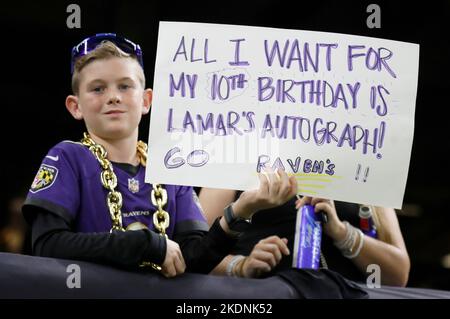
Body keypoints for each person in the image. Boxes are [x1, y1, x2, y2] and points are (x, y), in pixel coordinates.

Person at [21, 33, 298, 278]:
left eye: (125, 86)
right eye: (97, 88)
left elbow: (193, 258)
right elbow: (47, 245)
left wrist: (241, 211)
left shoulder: (168, 165)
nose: (113, 97)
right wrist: (146, 245)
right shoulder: (67, 156)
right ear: (75, 106)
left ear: (146, 101)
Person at [200, 187, 410, 287]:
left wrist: (342, 232)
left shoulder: (365, 170)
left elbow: (397, 275)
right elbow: (195, 254)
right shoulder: (234, 160)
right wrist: (241, 266)